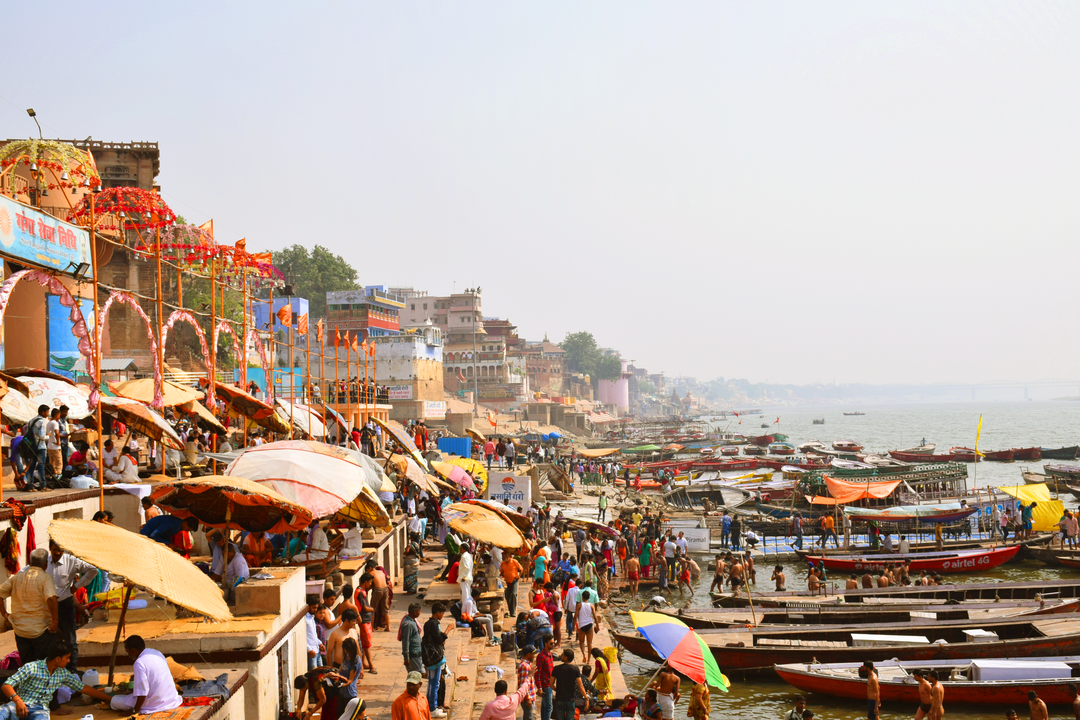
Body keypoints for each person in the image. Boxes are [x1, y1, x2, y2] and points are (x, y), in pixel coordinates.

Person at [0, 641, 112, 720]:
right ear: (58, 659)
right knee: (2, 713)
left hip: (40, 709)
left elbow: (82, 687)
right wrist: (18, 701)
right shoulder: (31, 667)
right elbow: (6, 685)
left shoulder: (62, 674)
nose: (69, 661)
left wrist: (108, 699)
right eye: (67, 658)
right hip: (19, 704)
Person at [46, 539, 98, 673]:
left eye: (60, 550)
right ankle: (53, 670)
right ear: (49, 548)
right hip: (47, 607)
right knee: (51, 639)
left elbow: (93, 570)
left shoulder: (71, 560)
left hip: (65, 604)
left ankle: (72, 671)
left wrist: (76, 587)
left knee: (70, 640)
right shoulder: (43, 562)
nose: (58, 552)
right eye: (55, 549)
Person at [0, 548, 58, 665]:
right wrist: (55, 621)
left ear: (30, 562)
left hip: (20, 630)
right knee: (46, 664)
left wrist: (5, 614)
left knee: (27, 665)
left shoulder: (16, 578)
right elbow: (51, 598)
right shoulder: (45, 578)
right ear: (46, 564)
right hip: (41, 630)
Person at [109, 635, 183, 714]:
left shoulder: (139, 663)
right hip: (171, 699)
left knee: (115, 701)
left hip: (154, 703)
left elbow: (142, 693)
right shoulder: (156, 652)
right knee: (126, 697)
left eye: (128, 651)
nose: (128, 655)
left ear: (133, 650)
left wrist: (134, 710)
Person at [422, 602, 453, 718]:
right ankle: (433, 708)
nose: (442, 615)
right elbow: (439, 640)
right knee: (435, 683)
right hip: (434, 658)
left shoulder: (427, 624)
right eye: (442, 613)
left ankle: (431, 706)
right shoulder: (434, 624)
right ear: (437, 613)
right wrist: (448, 629)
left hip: (429, 657)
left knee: (432, 682)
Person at [550, 649, 586, 720]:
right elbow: (580, 686)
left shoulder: (556, 669)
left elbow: (551, 683)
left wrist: (557, 690)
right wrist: (586, 697)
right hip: (570, 699)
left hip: (559, 698)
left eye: (562, 655)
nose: (561, 657)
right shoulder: (575, 669)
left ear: (566, 657)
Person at [535, 635, 555, 720]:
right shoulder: (541, 656)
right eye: (551, 643)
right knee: (549, 708)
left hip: (549, 684)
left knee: (545, 706)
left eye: (553, 643)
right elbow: (537, 673)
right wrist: (539, 687)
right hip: (545, 685)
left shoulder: (550, 654)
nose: (553, 645)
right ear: (546, 644)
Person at [401, 602, 423, 673]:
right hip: (413, 654)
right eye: (419, 612)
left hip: (416, 653)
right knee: (415, 674)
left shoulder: (412, 621)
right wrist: (406, 658)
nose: (420, 613)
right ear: (415, 612)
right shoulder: (408, 625)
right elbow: (406, 642)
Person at [517, 645, 537, 720]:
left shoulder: (527, 665)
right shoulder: (524, 666)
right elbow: (523, 684)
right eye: (533, 654)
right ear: (529, 655)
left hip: (529, 698)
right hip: (527, 699)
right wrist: (528, 698)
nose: (534, 656)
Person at [501, 553, 523, 617]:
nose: (502, 557)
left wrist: (519, 576)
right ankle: (510, 610)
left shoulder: (514, 561)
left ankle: (513, 612)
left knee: (513, 594)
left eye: (503, 556)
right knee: (507, 596)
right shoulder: (503, 563)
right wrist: (502, 576)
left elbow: (521, 569)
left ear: (507, 556)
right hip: (506, 582)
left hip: (514, 581)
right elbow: (501, 572)